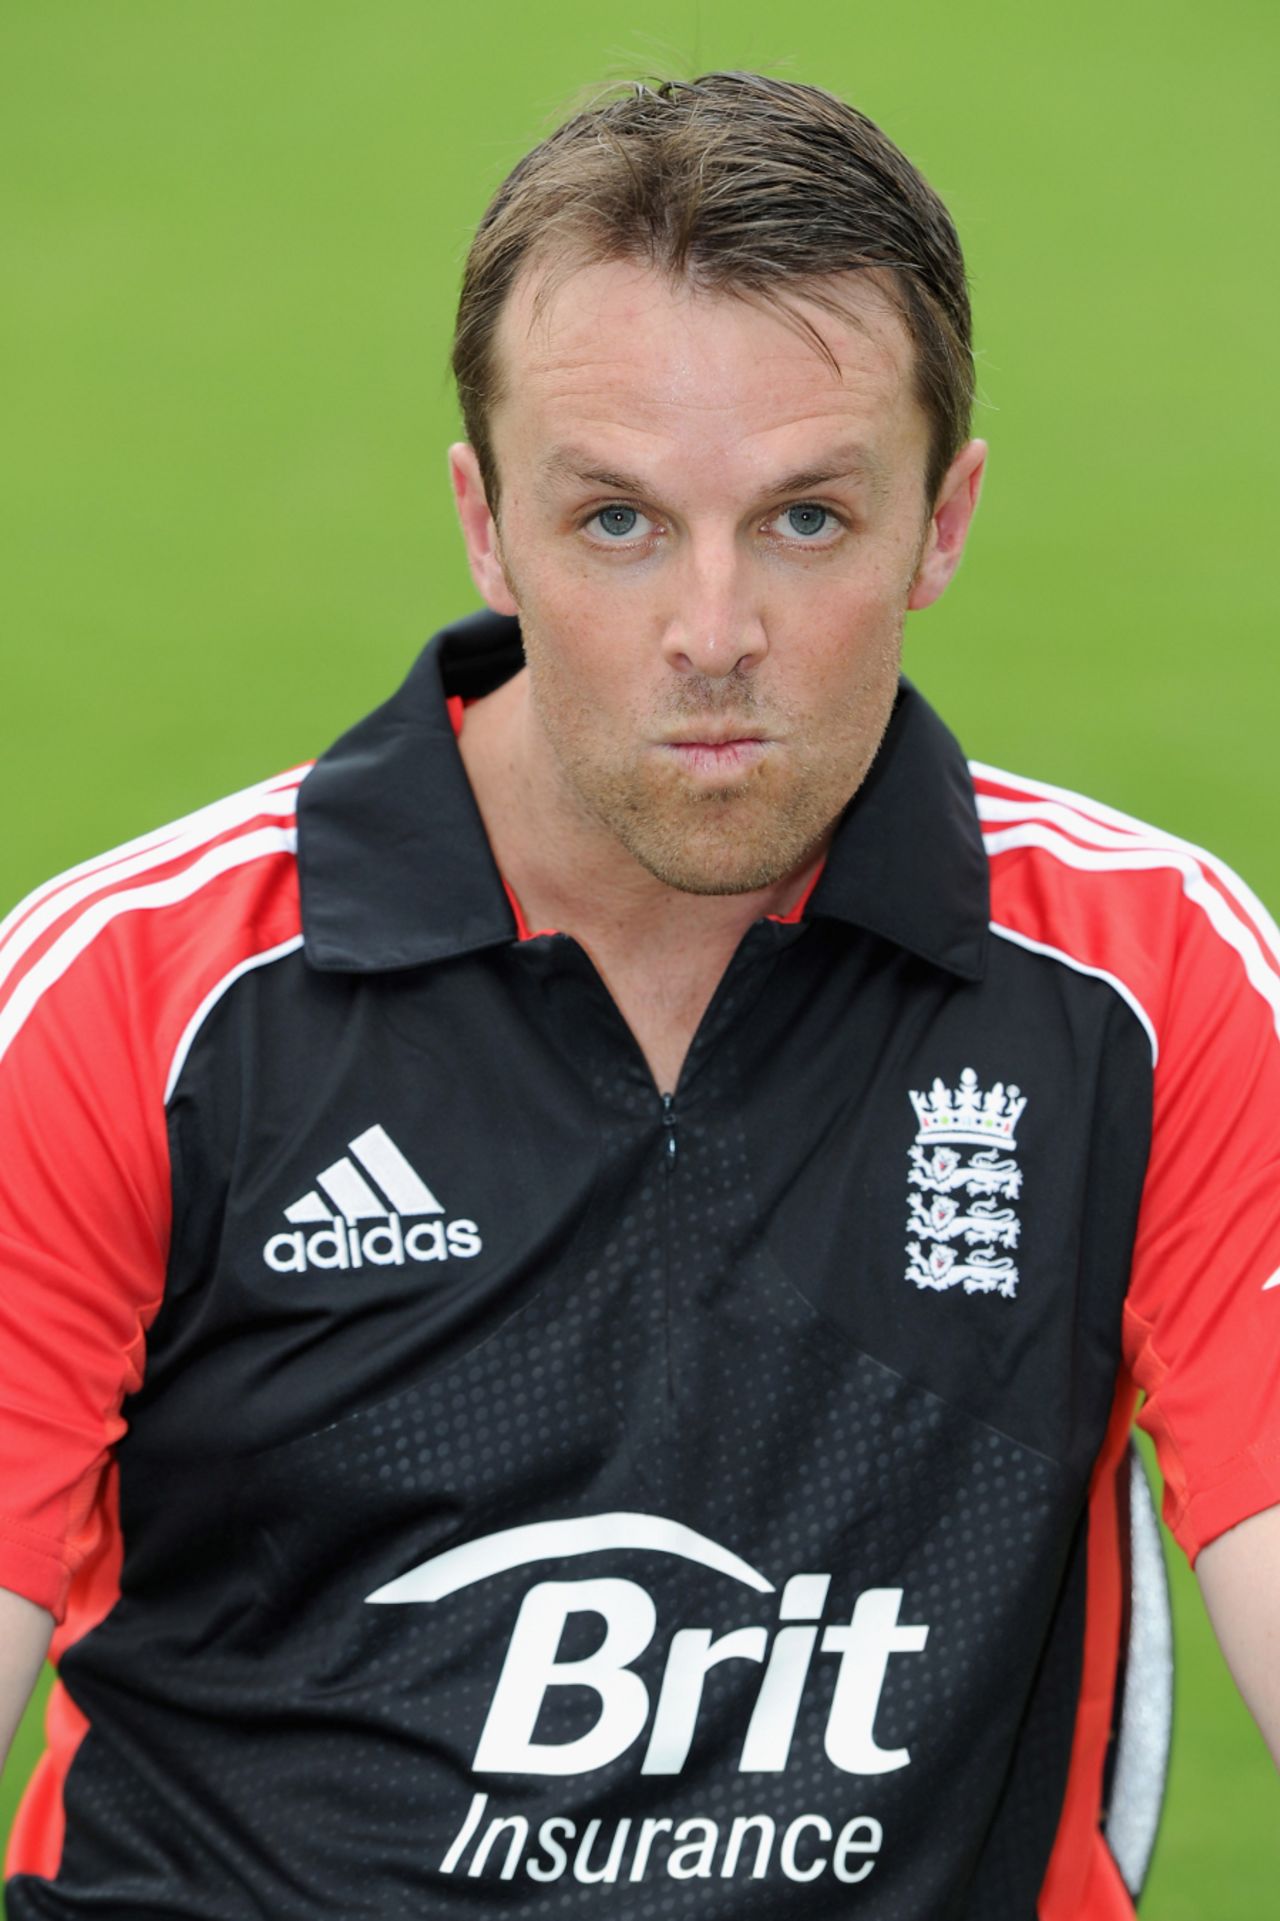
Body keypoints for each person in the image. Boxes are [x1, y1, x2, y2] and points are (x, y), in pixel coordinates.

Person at [0, 70, 1276, 1919]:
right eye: (616, 522)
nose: (713, 631)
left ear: (945, 520)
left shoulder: (1146, 980)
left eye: (808, 521)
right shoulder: (135, 998)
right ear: (484, 524)